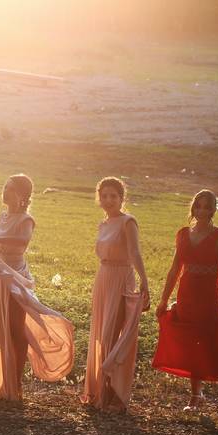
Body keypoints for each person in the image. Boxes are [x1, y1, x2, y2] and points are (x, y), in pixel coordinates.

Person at [0, 174, 74, 401]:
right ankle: (0, 381)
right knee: (1, 326)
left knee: (15, 327)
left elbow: (21, 243)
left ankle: (16, 382)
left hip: (15, 276)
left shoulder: (26, 220)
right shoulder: (3, 216)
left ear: (22, 196)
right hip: (0, 276)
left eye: (10, 189)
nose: (5, 191)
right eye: (5, 186)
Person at [153, 189, 218, 419]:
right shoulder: (183, 234)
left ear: (213, 210)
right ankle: (196, 396)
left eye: (207, 207)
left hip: (209, 296)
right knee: (191, 343)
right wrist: (164, 299)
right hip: (187, 294)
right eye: (199, 206)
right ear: (193, 208)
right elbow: (175, 269)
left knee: (213, 344)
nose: (202, 211)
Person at [81, 177, 150, 412]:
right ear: (98, 198)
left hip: (122, 277)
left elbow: (135, 253)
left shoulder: (128, 222)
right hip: (103, 277)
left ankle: (116, 396)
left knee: (114, 336)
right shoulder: (103, 224)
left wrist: (145, 281)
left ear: (122, 198)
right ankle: (100, 390)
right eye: (104, 196)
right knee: (101, 334)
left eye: (113, 196)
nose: (108, 200)